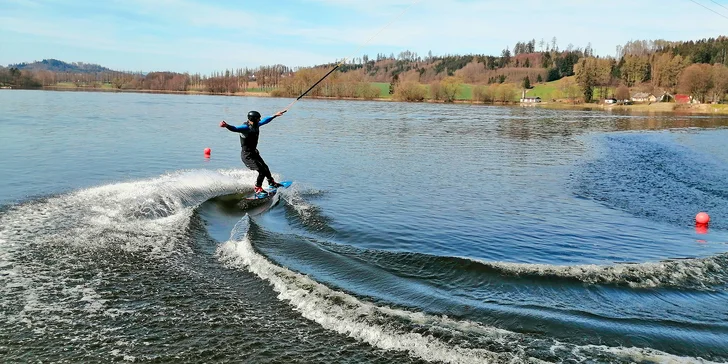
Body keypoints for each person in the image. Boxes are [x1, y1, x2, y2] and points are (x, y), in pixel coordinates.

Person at [220, 109, 286, 196]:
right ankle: (258, 188)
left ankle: (271, 182)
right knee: (262, 171)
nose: (260, 120)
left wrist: (275, 115)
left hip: (254, 152)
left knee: (265, 168)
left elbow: (265, 120)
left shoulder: (256, 125)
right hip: (247, 155)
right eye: (258, 118)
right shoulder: (245, 128)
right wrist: (226, 125)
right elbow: (235, 128)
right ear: (254, 119)